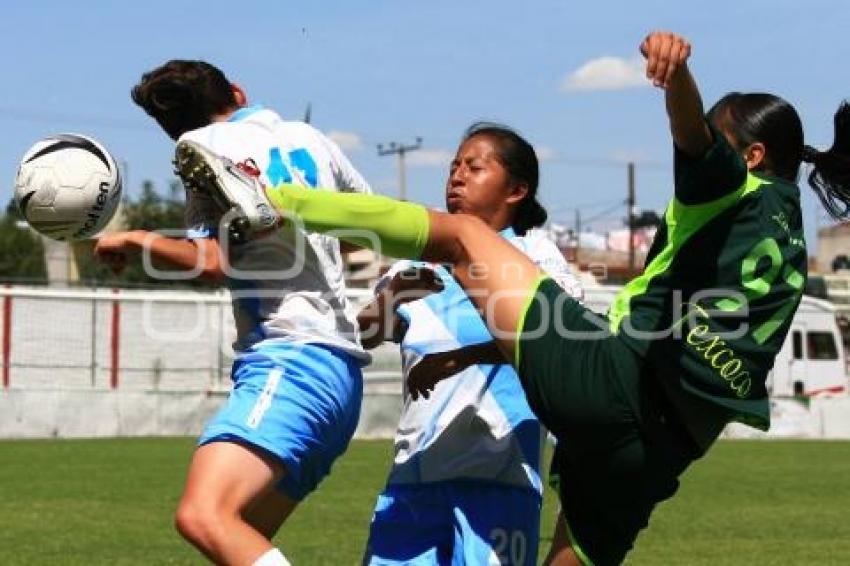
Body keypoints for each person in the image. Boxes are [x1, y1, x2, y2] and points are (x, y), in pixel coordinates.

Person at [171, 31, 850, 565]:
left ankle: (272, 197)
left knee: (461, 237)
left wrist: (677, 78)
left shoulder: (732, 190)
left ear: (752, 157)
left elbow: (694, 137)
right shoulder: (792, 236)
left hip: (615, 386)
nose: (458, 174)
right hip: (663, 454)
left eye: (475, 164)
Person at [95, 60, 373, 566]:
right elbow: (363, 228)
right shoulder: (309, 137)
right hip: (341, 375)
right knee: (239, 538)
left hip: (290, 358)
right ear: (239, 92)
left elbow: (211, 262)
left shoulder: (201, 149)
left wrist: (138, 240)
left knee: (204, 516)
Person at [357, 123, 583, 565]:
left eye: (474, 167)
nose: (456, 176)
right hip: (414, 477)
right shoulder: (418, 258)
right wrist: (391, 297)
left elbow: (553, 336)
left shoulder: (535, 256)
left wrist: (457, 358)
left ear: (516, 190)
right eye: (454, 166)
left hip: (502, 479)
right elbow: (364, 334)